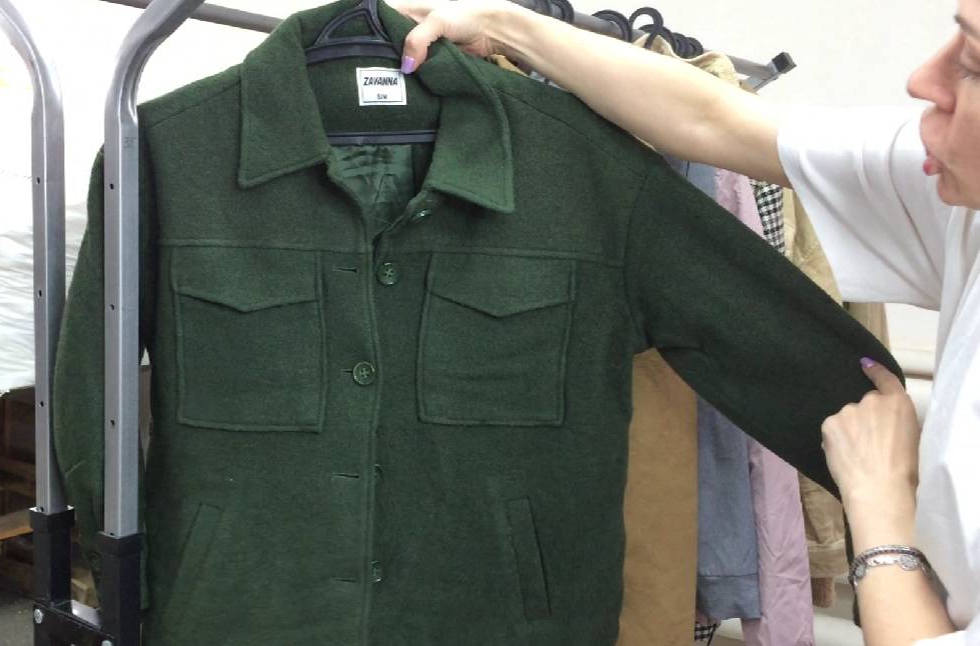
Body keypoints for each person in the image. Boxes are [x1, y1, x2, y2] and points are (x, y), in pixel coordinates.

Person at [390, 1, 980, 645]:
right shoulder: (957, 197)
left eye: (974, 64)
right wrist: (504, 24)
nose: (922, 79)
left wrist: (882, 504)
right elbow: (714, 120)